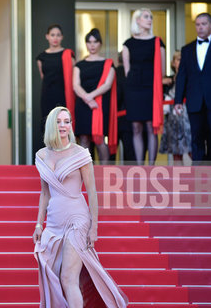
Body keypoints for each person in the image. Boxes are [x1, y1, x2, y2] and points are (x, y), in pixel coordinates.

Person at [33, 106, 128, 307]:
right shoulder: (41, 155)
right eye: (59, 121)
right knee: (56, 276)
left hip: (77, 219)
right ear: (52, 124)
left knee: (68, 277)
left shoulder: (81, 154)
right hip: (54, 222)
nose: (63, 126)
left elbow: (92, 193)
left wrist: (94, 227)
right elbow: (45, 193)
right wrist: (39, 225)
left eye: (67, 121)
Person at [175, 13, 211, 162]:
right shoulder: (187, 49)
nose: (200, 27)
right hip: (194, 99)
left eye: (204, 24)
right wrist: (178, 100)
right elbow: (182, 76)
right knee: (196, 136)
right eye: (198, 24)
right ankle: (197, 173)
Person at [122, 8, 165, 165]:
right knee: (136, 127)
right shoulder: (128, 44)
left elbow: (162, 71)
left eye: (151, 17)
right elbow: (127, 71)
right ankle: (140, 167)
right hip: (133, 89)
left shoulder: (158, 42)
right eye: (146, 16)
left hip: (151, 89)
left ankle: (151, 167)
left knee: (150, 126)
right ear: (137, 20)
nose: (149, 19)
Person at [73, 28, 118, 164]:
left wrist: (90, 97)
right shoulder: (79, 64)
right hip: (83, 105)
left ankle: (104, 172)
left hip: (99, 104)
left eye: (95, 42)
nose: (92, 45)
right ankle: (86, 172)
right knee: (84, 139)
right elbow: (75, 85)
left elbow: (107, 85)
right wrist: (87, 99)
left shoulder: (108, 64)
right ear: (86, 44)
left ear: (100, 44)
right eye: (89, 42)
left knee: (99, 139)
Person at [36, 24, 75, 125]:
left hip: (63, 95)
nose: (55, 38)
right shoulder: (41, 57)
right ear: (47, 36)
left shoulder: (68, 55)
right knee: (48, 127)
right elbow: (43, 77)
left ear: (62, 37)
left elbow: (73, 78)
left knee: (63, 126)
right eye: (52, 35)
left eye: (58, 35)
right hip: (47, 96)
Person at [159, 51, 192, 165]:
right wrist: (161, 82)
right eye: (177, 59)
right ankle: (179, 180)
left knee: (192, 150)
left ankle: (197, 177)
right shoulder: (167, 80)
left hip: (188, 118)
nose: (180, 62)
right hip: (172, 120)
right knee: (175, 152)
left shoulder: (191, 77)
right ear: (173, 63)